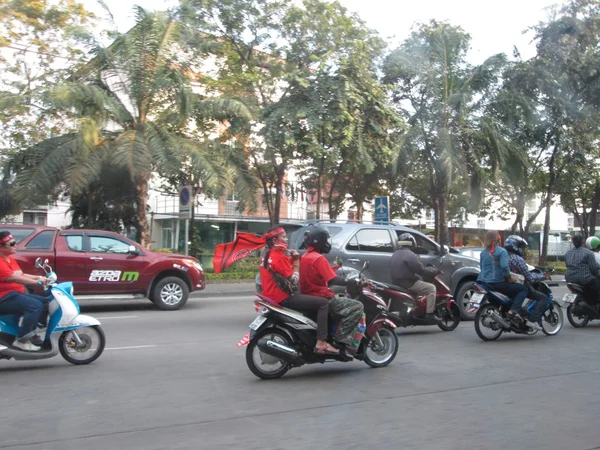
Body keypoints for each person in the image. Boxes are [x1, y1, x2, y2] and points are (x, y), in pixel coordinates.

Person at [259, 226, 339, 355]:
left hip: (270, 295)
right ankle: (321, 341)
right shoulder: (279, 256)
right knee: (323, 303)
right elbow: (294, 280)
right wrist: (296, 261)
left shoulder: (267, 255)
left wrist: (292, 259)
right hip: (283, 297)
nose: (286, 239)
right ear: (275, 240)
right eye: (284, 237)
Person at [299, 226, 364, 351]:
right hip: (320, 297)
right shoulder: (319, 259)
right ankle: (340, 341)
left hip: (308, 296)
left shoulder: (305, 256)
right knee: (357, 306)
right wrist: (352, 281)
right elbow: (333, 280)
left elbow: (319, 277)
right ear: (321, 240)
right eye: (327, 239)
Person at [0, 231, 50, 352]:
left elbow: (21, 274)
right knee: (34, 306)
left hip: (14, 295)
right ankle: (22, 340)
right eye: (11, 244)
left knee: (45, 302)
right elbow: (13, 278)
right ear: (1, 247)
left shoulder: (10, 260)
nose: (15, 246)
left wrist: (39, 278)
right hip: (4, 298)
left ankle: (32, 332)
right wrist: (36, 282)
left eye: (15, 243)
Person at [477, 231, 529, 323]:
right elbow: (505, 267)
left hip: (484, 283)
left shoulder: (483, 253)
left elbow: (482, 268)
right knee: (523, 289)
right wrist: (510, 278)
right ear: (497, 239)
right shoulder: (502, 251)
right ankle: (513, 311)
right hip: (497, 283)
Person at [389, 233, 441, 322]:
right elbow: (421, 270)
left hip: (397, 283)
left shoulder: (395, 254)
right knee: (431, 288)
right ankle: (429, 314)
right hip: (408, 283)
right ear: (412, 243)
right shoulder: (410, 255)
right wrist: (436, 271)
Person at [504, 235, 546, 330]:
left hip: (504, 285)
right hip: (518, 285)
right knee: (542, 297)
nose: (521, 249)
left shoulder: (502, 256)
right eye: (520, 246)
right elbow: (530, 278)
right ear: (515, 246)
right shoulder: (518, 259)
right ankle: (533, 320)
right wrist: (542, 276)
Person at [565, 234, 600, 306]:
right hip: (584, 279)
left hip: (569, 279)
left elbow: (567, 265)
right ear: (583, 242)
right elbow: (594, 269)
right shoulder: (588, 253)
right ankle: (594, 304)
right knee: (597, 284)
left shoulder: (568, 253)